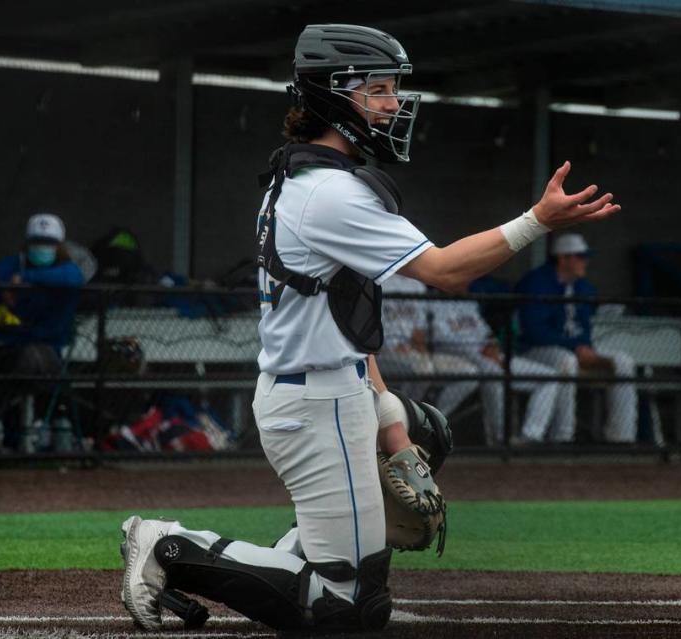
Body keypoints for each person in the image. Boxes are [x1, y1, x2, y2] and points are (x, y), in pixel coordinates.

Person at [118, 24, 619, 634]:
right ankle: (169, 546)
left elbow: (349, 323)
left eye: (391, 90)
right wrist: (536, 221)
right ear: (332, 96)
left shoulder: (308, 178)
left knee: (415, 445)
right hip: (313, 404)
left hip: (332, 390)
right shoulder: (327, 191)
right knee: (346, 608)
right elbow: (445, 271)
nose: (392, 104)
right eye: (377, 90)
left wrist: (390, 427)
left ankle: (269, 554)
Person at [515, 233, 638, 443]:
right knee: (567, 361)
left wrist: (584, 347)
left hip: (574, 348)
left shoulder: (583, 287)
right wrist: (575, 347)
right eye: (579, 257)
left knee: (624, 362)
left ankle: (622, 437)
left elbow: (585, 326)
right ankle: (563, 436)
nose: (585, 261)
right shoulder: (537, 282)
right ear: (563, 259)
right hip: (535, 351)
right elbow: (536, 332)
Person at [0, 213, 85, 451]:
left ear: (59, 246)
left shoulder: (66, 269)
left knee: (15, 365)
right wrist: (3, 292)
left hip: (47, 355)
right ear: (27, 243)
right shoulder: (13, 264)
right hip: (6, 349)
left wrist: (26, 278)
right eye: (37, 242)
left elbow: (73, 279)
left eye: (49, 243)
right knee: (0, 370)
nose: (43, 248)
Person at [429, 297, 574, 445]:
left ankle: (531, 436)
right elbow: (441, 341)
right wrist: (480, 352)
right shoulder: (433, 303)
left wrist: (492, 345)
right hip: (459, 357)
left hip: (491, 356)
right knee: (493, 372)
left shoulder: (468, 303)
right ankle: (501, 436)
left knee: (548, 377)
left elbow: (486, 333)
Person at [376, 273, 479, 418]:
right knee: (424, 369)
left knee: (470, 372)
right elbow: (371, 327)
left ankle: (434, 419)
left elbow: (420, 329)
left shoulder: (416, 284)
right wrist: (391, 347)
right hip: (383, 353)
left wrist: (419, 348)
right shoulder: (378, 280)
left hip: (413, 353)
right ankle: (404, 418)